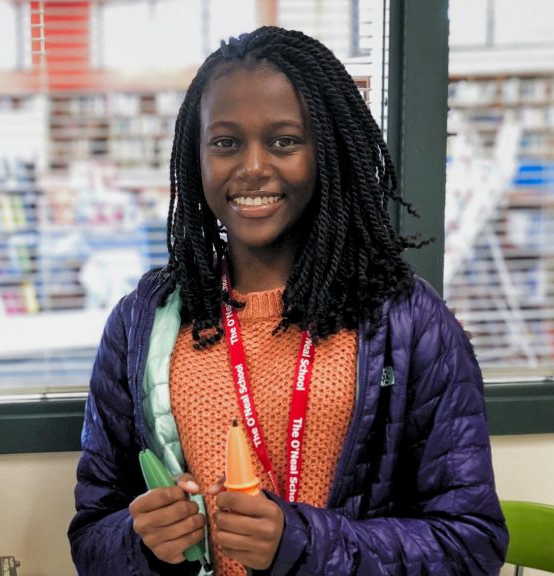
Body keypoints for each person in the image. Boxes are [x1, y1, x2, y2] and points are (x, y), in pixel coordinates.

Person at [67, 25, 508, 575]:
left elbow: (471, 545)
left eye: (284, 141)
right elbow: (92, 536)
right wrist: (142, 541)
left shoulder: (408, 321)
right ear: (193, 157)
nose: (253, 167)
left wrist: (303, 544)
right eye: (226, 142)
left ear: (328, 151)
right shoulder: (144, 321)